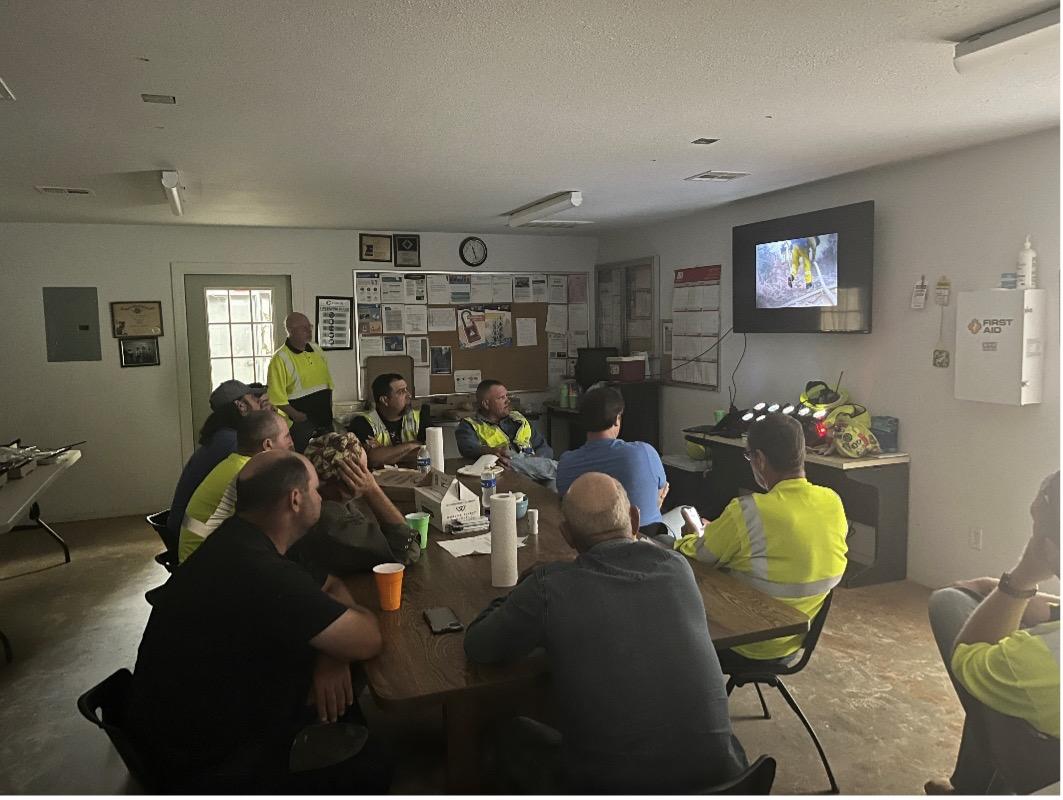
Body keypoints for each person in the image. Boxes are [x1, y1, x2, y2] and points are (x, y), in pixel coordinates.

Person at [464, 472, 746, 793]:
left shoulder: (548, 588)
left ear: (568, 536)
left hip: (607, 786)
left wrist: (520, 590)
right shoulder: (676, 567)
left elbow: (480, 645)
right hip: (726, 783)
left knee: (507, 732)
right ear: (635, 519)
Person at [126, 450, 390, 793]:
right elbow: (369, 638)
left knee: (345, 698)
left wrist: (332, 654)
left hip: (189, 719)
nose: (320, 495)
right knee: (378, 766)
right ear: (295, 500)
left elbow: (332, 584)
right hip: (203, 760)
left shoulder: (243, 538)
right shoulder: (258, 570)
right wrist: (342, 638)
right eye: (314, 488)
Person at [673, 413, 847, 669]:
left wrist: (691, 535)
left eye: (749, 457)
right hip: (797, 641)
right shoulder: (832, 501)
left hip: (744, 641)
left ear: (760, 459)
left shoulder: (747, 511)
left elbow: (698, 555)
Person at [924, 471, 1060, 795]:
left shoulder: (1038, 659)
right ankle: (968, 784)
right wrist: (1001, 592)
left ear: (1050, 548)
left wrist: (1020, 579)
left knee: (950, 603)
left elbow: (970, 658)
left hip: (1047, 769)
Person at [288, 431, 421, 575]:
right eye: (365, 472)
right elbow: (407, 550)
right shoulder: (332, 522)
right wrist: (372, 490)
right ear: (350, 478)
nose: (368, 476)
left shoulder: (329, 503)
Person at [178, 410, 293, 563]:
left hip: (198, 557)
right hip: (203, 566)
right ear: (268, 445)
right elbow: (276, 525)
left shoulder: (235, 463)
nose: (291, 442)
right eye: (287, 437)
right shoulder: (250, 473)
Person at [166, 380, 271, 545]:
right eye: (254, 398)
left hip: (183, 529)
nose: (260, 402)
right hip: (192, 538)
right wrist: (269, 420)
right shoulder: (232, 442)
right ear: (241, 406)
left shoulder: (222, 436)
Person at [555, 386, 669, 533]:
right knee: (684, 511)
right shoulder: (644, 452)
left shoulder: (566, 464)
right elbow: (661, 492)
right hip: (647, 540)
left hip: (590, 542)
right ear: (617, 419)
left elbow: (569, 507)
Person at [268, 311, 335, 451]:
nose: (309, 331)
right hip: (302, 424)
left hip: (324, 419)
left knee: (329, 460)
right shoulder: (280, 359)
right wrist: (297, 416)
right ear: (291, 330)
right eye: (303, 328)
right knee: (305, 462)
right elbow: (276, 397)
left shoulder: (317, 349)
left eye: (309, 326)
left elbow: (328, 383)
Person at [455, 379, 552, 466]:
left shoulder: (519, 420)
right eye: (501, 398)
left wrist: (538, 459)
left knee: (560, 474)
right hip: (504, 471)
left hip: (534, 467)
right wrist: (490, 451)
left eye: (506, 396)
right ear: (486, 404)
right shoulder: (470, 425)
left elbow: (545, 448)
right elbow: (468, 448)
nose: (508, 401)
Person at [347, 373, 431, 468]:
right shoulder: (362, 422)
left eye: (406, 390)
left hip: (416, 477)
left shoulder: (420, 417)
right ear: (384, 400)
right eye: (401, 392)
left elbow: (431, 451)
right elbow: (373, 459)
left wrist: (387, 454)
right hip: (378, 480)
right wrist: (411, 446)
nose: (409, 395)